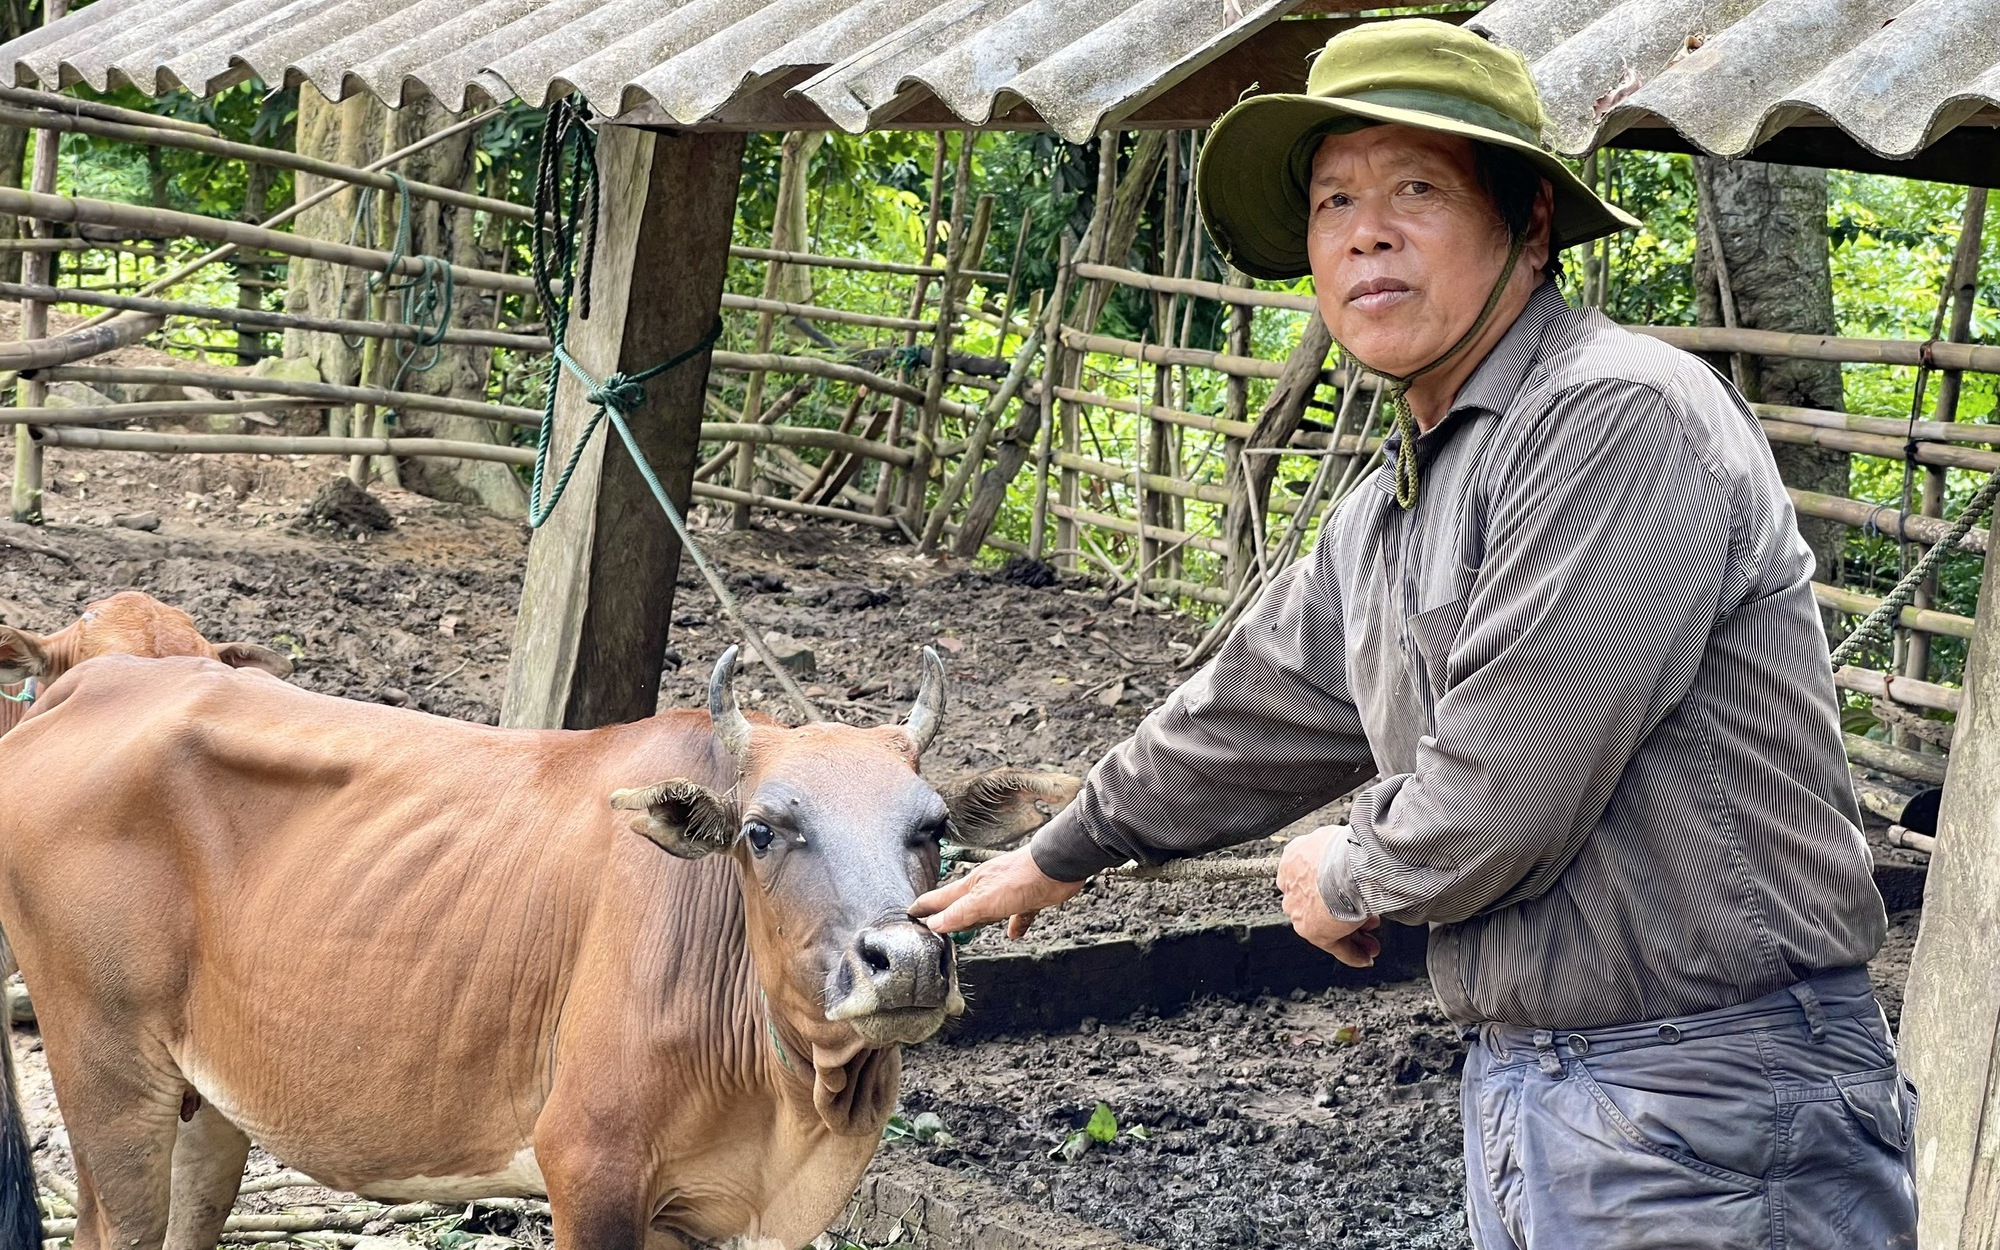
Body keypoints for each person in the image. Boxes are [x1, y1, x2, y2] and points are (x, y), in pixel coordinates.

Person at [910, 18, 1918, 1250]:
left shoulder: (1612, 420)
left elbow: (1501, 793)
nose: (1363, 230)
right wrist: (1066, 849)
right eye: (1333, 198)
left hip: (1707, 1094)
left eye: (1415, 190)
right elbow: (1254, 702)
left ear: (1529, 223)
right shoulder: (1399, 496)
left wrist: (1345, 869)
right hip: (1538, 1084)